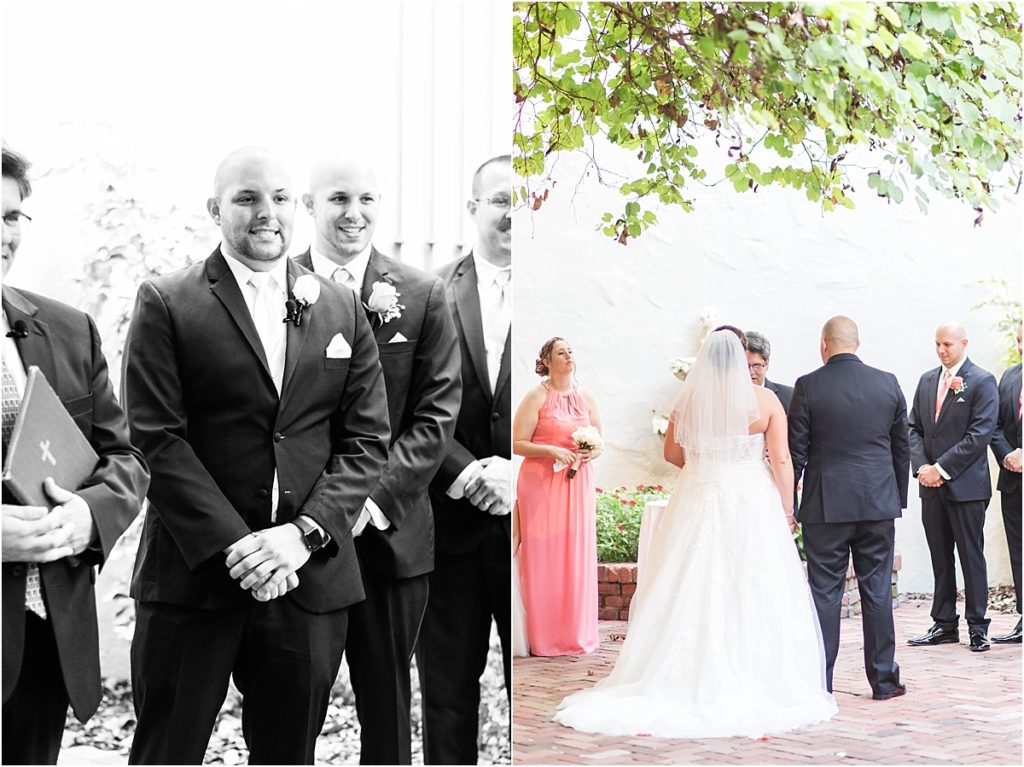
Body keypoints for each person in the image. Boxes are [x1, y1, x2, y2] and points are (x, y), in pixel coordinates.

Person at [121, 146, 391, 764]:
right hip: (196, 578)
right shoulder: (167, 301)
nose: (265, 213)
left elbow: (366, 440)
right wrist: (238, 548)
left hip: (307, 577)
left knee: (288, 752)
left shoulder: (340, 306)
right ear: (216, 210)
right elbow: (156, 436)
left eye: (277, 198)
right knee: (167, 748)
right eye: (246, 199)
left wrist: (303, 535)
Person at [554, 329, 836, 738]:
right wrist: (787, 510)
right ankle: (759, 675)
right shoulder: (766, 401)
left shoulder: (689, 401)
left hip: (700, 495)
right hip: (750, 500)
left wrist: (706, 459)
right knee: (753, 582)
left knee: (690, 581)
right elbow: (782, 459)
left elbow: (671, 454)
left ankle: (674, 673)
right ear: (742, 359)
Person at [294, 157, 462, 765]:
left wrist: (371, 500)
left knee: (387, 705)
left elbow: (436, 415)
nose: (354, 213)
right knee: (292, 703)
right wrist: (317, 512)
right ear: (309, 206)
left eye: (367, 199)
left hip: (390, 535)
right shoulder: (276, 287)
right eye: (338, 198)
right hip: (302, 534)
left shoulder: (421, 294)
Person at [1, 145, 150, 765]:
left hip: (45, 635)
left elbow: (124, 459)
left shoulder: (67, 329)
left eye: (12, 216)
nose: (3, 234)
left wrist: (88, 516)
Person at [417, 155, 512, 765]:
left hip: (535, 538)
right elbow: (408, 404)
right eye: (500, 198)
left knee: (537, 685)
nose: (513, 211)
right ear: (473, 208)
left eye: (525, 199)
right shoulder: (429, 294)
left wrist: (520, 473)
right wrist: (467, 471)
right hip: (451, 527)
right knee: (447, 696)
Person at [788, 316, 909, 699]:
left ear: (823, 345)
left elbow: (796, 453)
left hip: (825, 505)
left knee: (825, 591)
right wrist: (896, 497)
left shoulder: (807, 386)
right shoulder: (887, 383)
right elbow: (900, 449)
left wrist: (790, 502)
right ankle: (884, 681)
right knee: (877, 591)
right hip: (877, 503)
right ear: (857, 344)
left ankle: (820, 682)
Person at [907, 321, 998, 652]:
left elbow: (980, 435)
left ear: (964, 343)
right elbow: (912, 427)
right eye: (937, 345)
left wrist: (942, 469)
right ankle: (944, 623)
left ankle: (977, 625)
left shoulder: (982, 381)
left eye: (948, 344)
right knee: (940, 555)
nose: (942, 350)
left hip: (966, 486)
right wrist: (922, 468)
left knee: (971, 554)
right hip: (930, 485)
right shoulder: (927, 380)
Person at [513, 337, 601, 655]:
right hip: (540, 484)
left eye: (571, 350)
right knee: (544, 555)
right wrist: (550, 449)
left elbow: (599, 437)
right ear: (547, 361)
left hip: (577, 484)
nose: (568, 355)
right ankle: (544, 635)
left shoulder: (585, 397)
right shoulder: (537, 396)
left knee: (575, 553)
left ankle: (575, 632)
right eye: (561, 352)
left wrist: (590, 452)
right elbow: (517, 443)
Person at [990, 322, 1022, 644]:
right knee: (1019, 548)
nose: (1021, 347)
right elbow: (995, 425)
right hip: (1013, 478)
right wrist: (1009, 454)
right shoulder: (1010, 376)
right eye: (1019, 341)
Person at [745, 330, 794, 415]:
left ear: (767, 364)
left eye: (757, 366)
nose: (751, 372)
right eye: (745, 366)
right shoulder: (727, 398)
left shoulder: (789, 396)